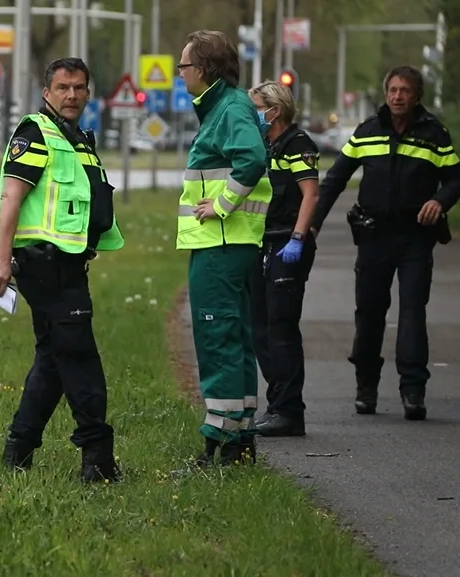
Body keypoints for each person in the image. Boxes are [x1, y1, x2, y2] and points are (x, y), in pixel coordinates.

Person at [0, 57, 126, 484]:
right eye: (63, 88)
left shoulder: (80, 139)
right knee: (80, 357)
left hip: (67, 262)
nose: (71, 95)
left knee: (53, 358)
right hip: (40, 264)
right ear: (47, 93)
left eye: (79, 88)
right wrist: (2, 257)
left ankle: (18, 451)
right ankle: (97, 461)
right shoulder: (36, 132)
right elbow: (12, 198)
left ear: (88, 92)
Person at [311, 65, 460, 420]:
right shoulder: (367, 132)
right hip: (374, 236)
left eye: (405, 90)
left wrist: (440, 200)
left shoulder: (434, 134)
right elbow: (334, 180)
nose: (397, 96)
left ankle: (413, 391)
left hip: (415, 238)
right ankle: (366, 387)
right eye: (392, 90)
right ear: (385, 93)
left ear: (417, 95)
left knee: (412, 313)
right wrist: (311, 225)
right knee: (369, 314)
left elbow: (455, 179)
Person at [175, 30, 273, 466]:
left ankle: (220, 441)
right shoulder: (224, 107)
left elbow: (252, 160)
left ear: (204, 70)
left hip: (222, 242)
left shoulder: (230, 108)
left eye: (184, 66)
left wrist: (220, 204)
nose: (180, 74)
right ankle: (239, 439)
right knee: (234, 339)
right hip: (226, 244)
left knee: (217, 338)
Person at [246, 81, 321, 438]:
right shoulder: (266, 145)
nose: (253, 113)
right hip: (264, 242)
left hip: (287, 244)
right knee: (260, 327)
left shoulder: (297, 144)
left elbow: (310, 194)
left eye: (256, 106)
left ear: (274, 110)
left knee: (281, 328)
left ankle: (290, 411)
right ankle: (277, 404)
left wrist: (298, 237)